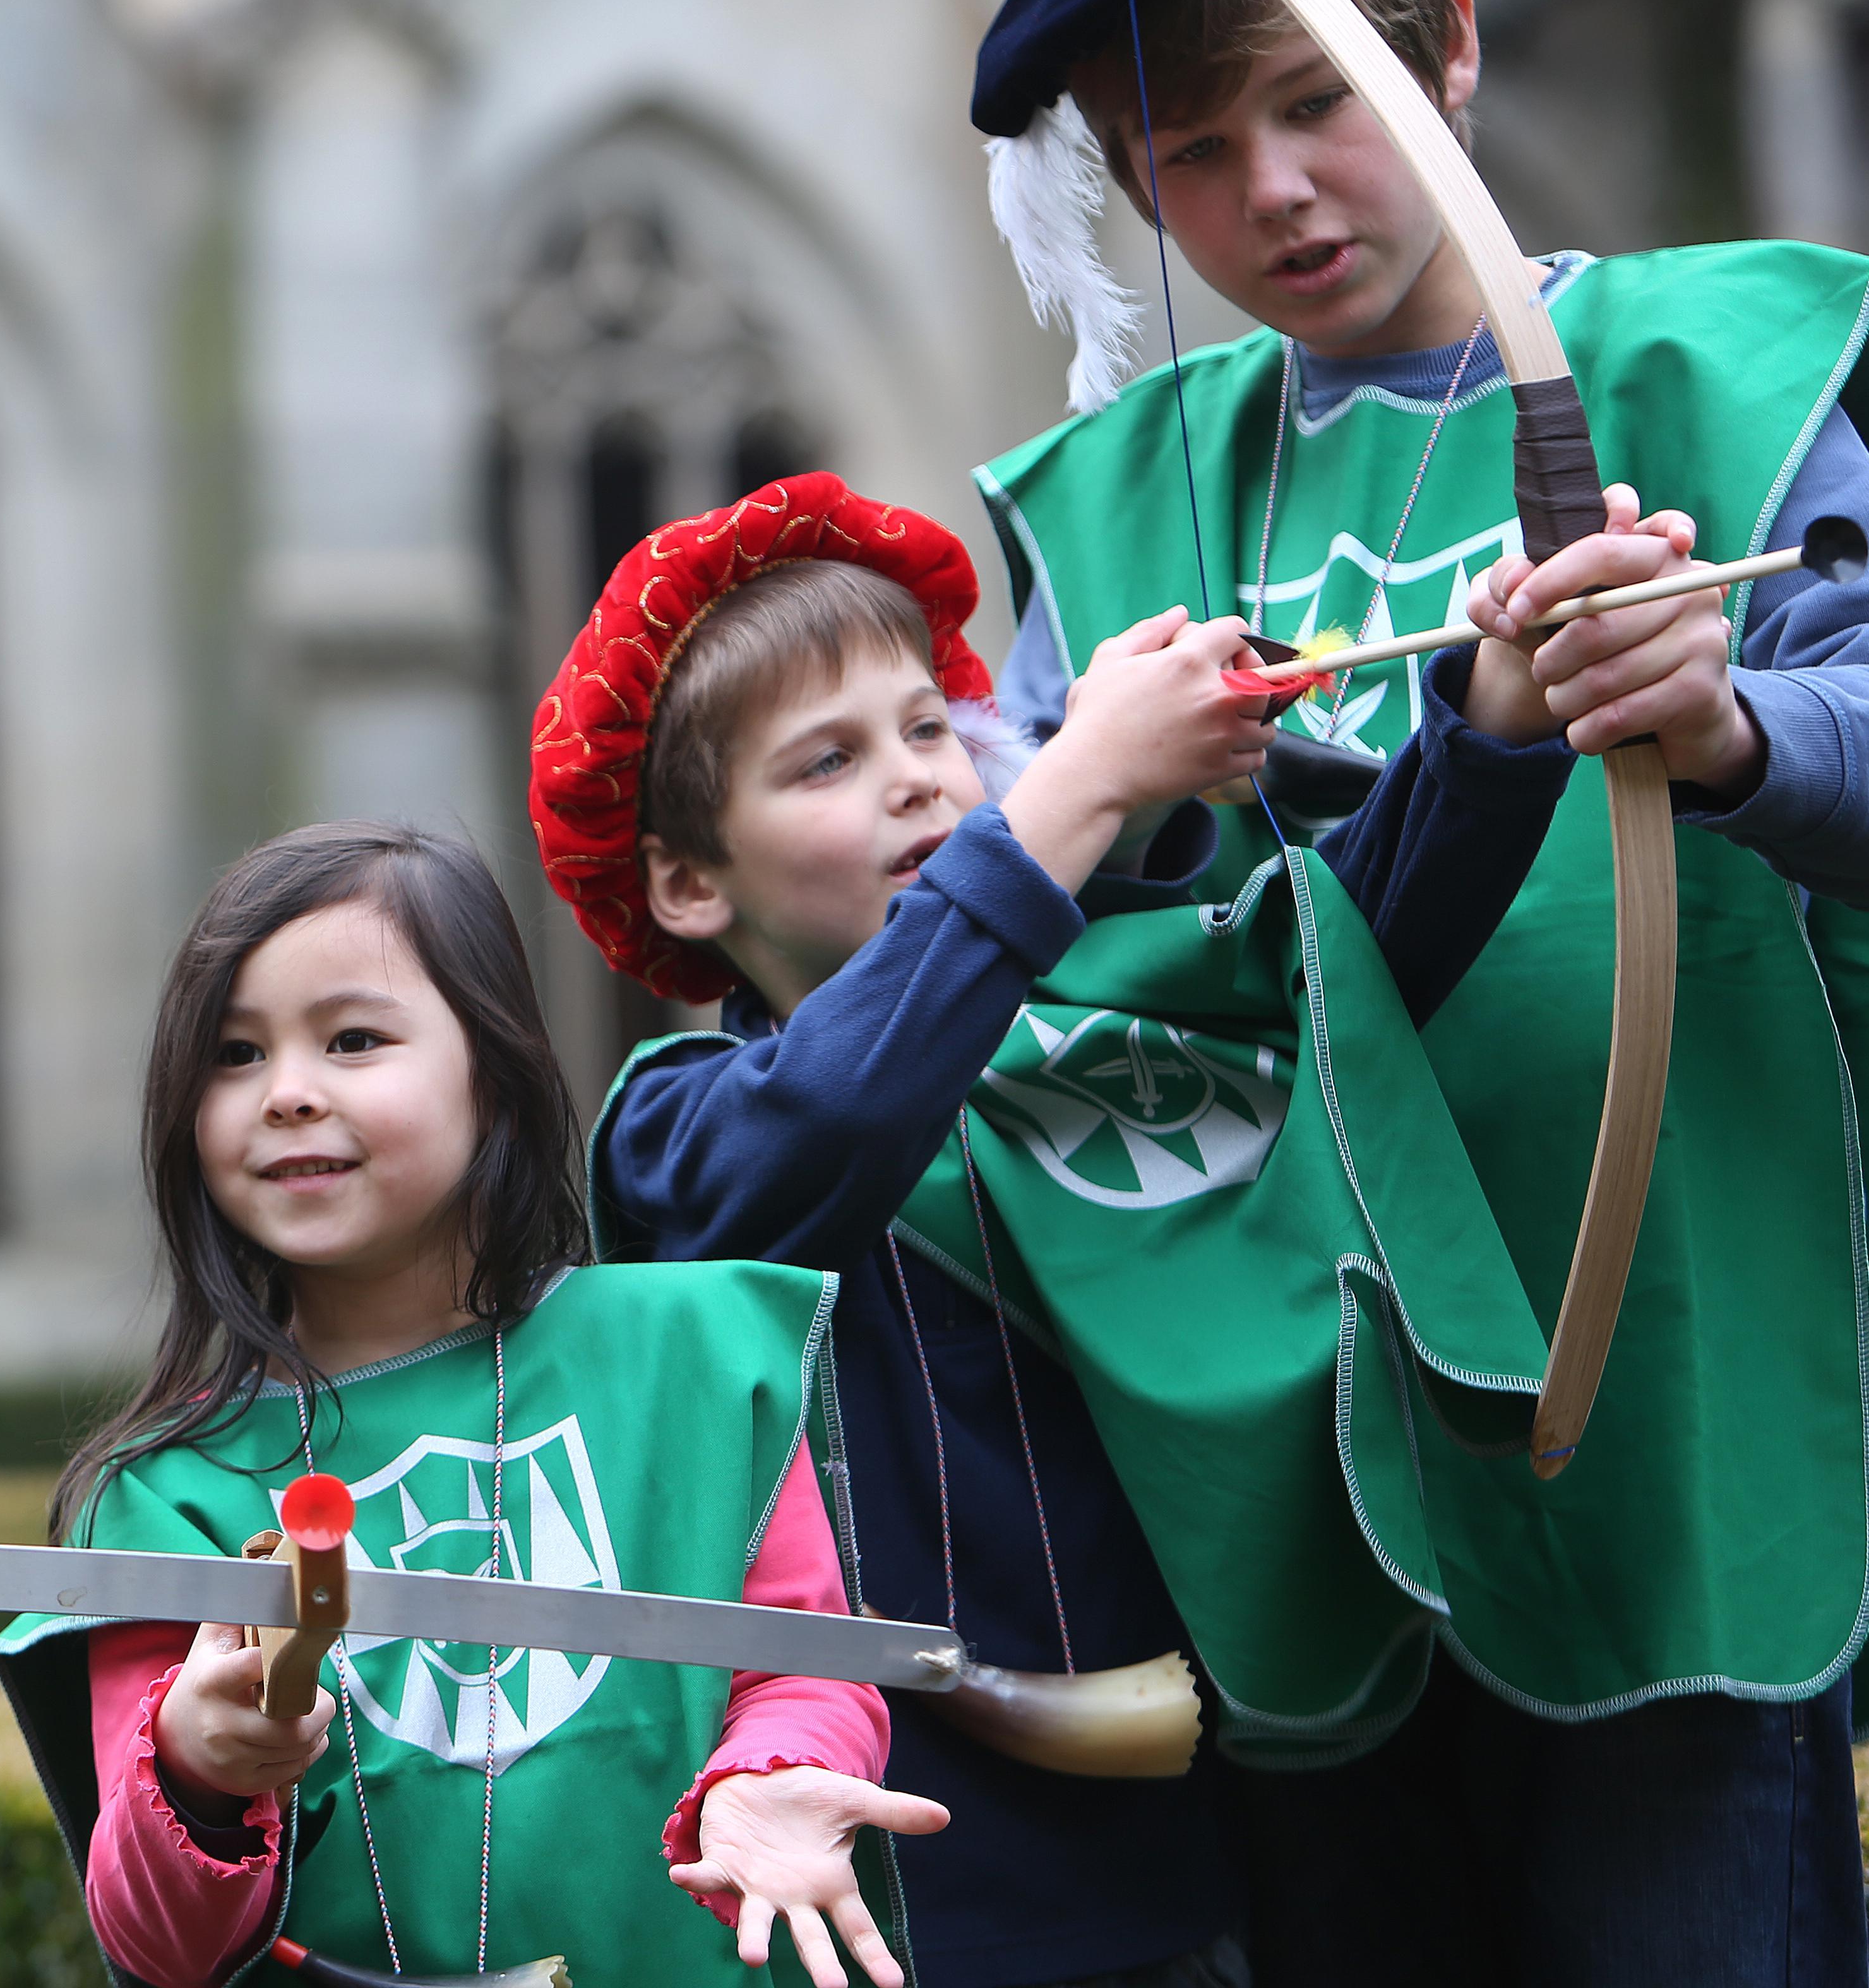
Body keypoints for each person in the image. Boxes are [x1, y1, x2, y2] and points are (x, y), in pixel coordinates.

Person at [961, 0, 1869, 1984]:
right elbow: (995, 961)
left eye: (1317, 99)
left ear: (1447, 47)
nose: (1279, 196)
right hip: (1291, 1476)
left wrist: (1730, 723)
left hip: (1659, 1418)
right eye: (1193, 155)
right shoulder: (1114, 509)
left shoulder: (1705, 370)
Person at [538, 469, 1686, 1987]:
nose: (917, 782)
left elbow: (1333, 962)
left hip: (1250, 1810)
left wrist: (1498, 707)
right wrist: (1077, 790)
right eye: (826, 761)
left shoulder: (1079, 1012)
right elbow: (841, 1114)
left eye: (932, 729)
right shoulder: (676, 1127)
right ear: (685, 883)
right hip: (923, 1867)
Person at [0, 823, 943, 1988]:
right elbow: (157, 1949)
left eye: (352, 1039)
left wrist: (771, 1780)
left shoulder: (695, 1355)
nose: (287, 1094)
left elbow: (804, 1665)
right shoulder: (161, 1490)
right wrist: (194, 1763)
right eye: (233, 1055)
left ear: (492, 1072)